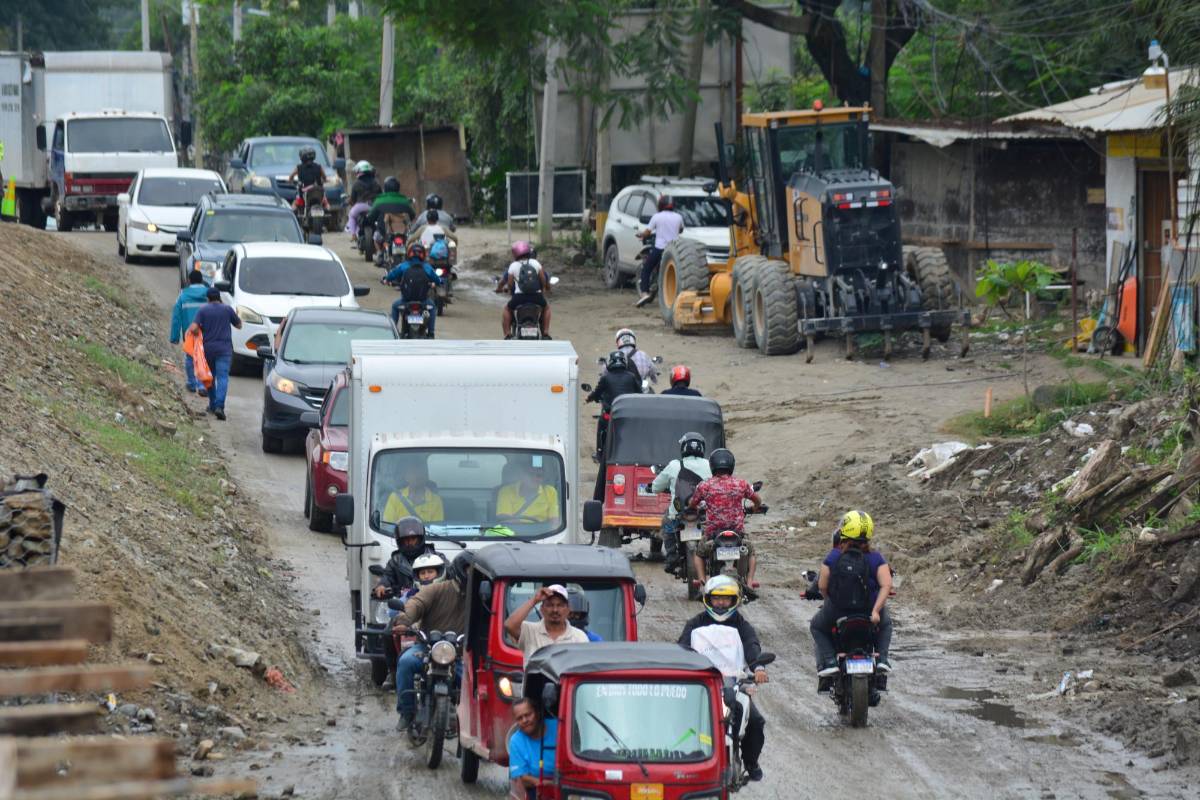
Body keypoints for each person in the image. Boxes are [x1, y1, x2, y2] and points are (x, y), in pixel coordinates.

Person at [678, 576, 767, 782]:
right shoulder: (695, 624)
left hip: (733, 685)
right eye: (716, 598)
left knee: (756, 722)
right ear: (708, 599)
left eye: (726, 599)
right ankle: (681, 758)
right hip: (702, 686)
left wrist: (758, 667)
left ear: (734, 600)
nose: (720, 603)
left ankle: (751, 761)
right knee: (680, 719)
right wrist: (679, 667)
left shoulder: (741, 625)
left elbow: (751, 645)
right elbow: (682, 648)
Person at [810, 510, 893, 693]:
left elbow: (822, 586)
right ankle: (881, 660)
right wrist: (876, 611)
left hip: (838, 611)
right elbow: (886, 585)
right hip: (869, 612)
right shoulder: (876, 558)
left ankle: (830, 662)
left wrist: (830, 602)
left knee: (816, 626)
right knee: (886, 625)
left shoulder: (833, 556)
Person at [392, 551, 473, 731]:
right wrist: (404, 621)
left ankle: (470, 723)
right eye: (469, 570)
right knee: (405, 662)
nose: (471, 574)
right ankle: (407, 712)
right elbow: (416, 603)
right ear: (460, 570)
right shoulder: (436, 589)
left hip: (460, 653)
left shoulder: (479, 596)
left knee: (473, 683)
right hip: (427, 647)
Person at [688, 448, 763, 593]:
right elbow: (757, 500)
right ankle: (749, 582)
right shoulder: (741, 484)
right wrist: (754, 508)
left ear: (712, 466)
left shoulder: (705, 485)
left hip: (713, 533)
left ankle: (703, 582)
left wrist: (695, 507)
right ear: (731, 465)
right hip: (737, 532)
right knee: (751, 552)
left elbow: (693, 503)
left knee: (699, 554)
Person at [372, 516, 434, 685]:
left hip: (432, 608)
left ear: (421, 538)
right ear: (400, 541)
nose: (410, 543)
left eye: (413, 539)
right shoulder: (396, 560)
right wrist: (382, 586)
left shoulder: (435, 556)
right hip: (405, 609)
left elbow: (449, 574)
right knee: (387, 633)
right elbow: (387, 577)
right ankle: (393, 672)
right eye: (406, 540)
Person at [651, 431, 713, 573]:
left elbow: (655, 487)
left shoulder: (674, 465)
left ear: (684, 448)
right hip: (703, 512)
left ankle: (672, 556)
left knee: (667, 523)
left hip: (679, 513)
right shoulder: (709, 464)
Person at [186, 287, 241, 421]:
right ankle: (219, 406)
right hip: (224, 350)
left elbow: (193, 328)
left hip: (208, 349)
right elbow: (239, 325)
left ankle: (212, 405)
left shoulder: (203, 310)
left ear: (208, 298)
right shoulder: (227, 309)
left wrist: (200, 332)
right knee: (223, 378)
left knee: (210, 378)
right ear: (219, 297)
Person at [504, 584, 590, 665]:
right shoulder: (530, 631)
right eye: (550, 605)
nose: (555, 610)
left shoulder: (579, 637)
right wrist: (534, 600)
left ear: (568, 609)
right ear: (542, 609)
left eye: (560, 605)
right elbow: (509, 625)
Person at [382, 242, 441, 337]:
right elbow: (437, 280)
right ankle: (431, 333)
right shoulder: (427, 267)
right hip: (423, 301)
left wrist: (386, 280)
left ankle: (392, 333)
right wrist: (437, 283)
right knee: (433, 308)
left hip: (406, 301)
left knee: (395, 306)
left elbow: (392, 274)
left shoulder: (404, 265)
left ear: (409, 253)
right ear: (423, 254)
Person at [635, 195, 685, 307]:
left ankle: (644, 293)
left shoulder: (657, 217)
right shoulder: (679, 217)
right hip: (674, 250)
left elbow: (648, 232)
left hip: (660, 249)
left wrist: (641, 235)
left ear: (661, 205)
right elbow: (681, 230)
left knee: (646, 268)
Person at [496, 240, 552, 339]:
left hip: (519, 298)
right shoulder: (535, 263)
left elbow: (510, 284)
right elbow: (543, 279)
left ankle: (507, 334)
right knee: (546, 308)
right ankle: (545, 333)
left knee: (507, 309)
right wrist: (544, 289)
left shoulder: (513, 265)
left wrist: (508, 290)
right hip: (536, 297)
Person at [170, 270, 211, 396]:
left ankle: (192, 383)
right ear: (202, 280)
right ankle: (202, 384)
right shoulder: (209, 294)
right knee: (204, 357)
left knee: (190, 357)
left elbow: (176, 317)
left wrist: (174, 337)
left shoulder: (183, 296)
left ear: (189, 280)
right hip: (207, 332)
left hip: (190, 332)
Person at [508, 697, 558, 793]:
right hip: (538, 787)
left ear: (537, 713)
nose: (524, 720)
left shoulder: (559, 727)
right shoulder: (515, 741)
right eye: (519, 718)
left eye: (528, 715)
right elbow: (523, 778)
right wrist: (548, 784)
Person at [365, 177, 416, 262]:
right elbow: (412, 215)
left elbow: (371, 216)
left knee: (376, 238)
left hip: (384, 233)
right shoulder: (404, 201)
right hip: (402, 233)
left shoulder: (379, 200)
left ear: (385, 188)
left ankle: (380, 253)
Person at [496, 458, 560, 525]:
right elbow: (505, 519)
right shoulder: (506, 491)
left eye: (539, 476)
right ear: (522, 475)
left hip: (543, 530)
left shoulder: (550, 491)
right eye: (530, 474)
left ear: (543, 478)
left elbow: (554, 519)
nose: (534, 478)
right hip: (513, 530)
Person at [288, 145, 328, 214]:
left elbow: (291, 177)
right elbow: (325, 178)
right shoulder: (319, 167)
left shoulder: (299, 167)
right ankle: (327, 211)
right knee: (326, 203)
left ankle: (293, 215)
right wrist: (322, 181)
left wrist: (291, 182)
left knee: (295, 204)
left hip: (304, 194)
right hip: (318, 192)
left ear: (301, 157)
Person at [346, 160, 381, 239]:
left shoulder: (356, 184)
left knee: (351, 215)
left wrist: (349, 202)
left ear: (359, 171)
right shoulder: (376, 183)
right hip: (374, 206)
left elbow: (353, 199)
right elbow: (380, 195)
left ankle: (353, 234)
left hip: (360, 206)